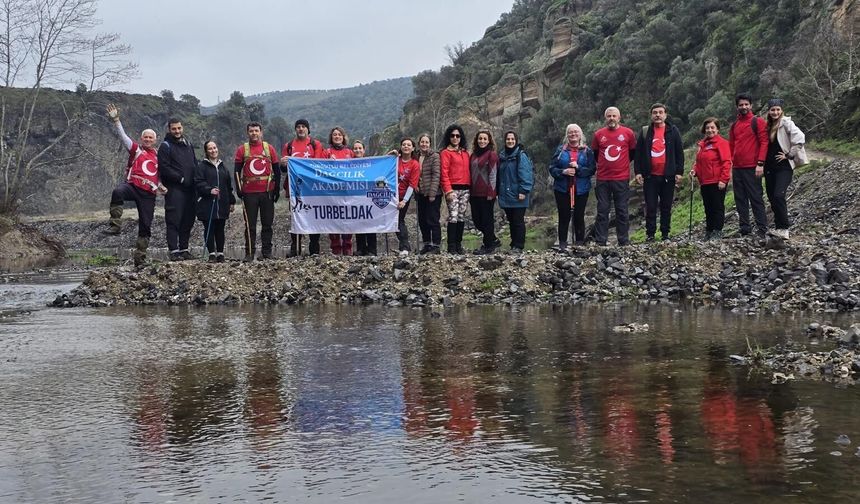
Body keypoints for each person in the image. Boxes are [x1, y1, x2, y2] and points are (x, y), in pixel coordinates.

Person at [103, 104, 166, 266]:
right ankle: (115, 225)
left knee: (145, 225)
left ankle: (140, 258)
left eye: (151, 138)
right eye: (145, 137)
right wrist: (116, 120)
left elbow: (158, 175)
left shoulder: (159, 156)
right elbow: (123, 137)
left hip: (148, 195)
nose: (148, 139)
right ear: (141, 138)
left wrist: (161, 185)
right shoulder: (136, 149)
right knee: (118, 192)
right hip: (132, 187)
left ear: (155, 140)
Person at [634, 103, 685, 241]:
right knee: (650, 206)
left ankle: (665, 234)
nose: (658, 115)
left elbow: (679, 153)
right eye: (655, 112)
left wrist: (679, 172)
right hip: (650, 176)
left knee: (666, 206)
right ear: (651, 115)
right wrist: (638, 172)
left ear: (665, 115)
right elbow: (638, 154)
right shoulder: (645, 131)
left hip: (668, 176)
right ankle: (650, 235)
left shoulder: (673, 131)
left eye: (660, 112)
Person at [234, 122, 280, 261]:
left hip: (267, 192)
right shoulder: (242, 149)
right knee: (250, 226)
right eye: (251, 131)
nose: (254, 133)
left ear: (261, 132)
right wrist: (239, 189)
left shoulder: (269, 148)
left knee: (267, 224)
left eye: (256, 131)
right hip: (249, 193)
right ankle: (249, 253)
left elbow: (277, 170)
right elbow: (236, 171)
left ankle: (266, 252)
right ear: (247, 133)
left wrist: (276, 189)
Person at [591, 106, 636, 246]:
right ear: (605, 118)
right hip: (603, 179)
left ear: (619, 118)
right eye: (609, 116)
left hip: (621, 178)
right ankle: (600, 241)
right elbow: (596, 155)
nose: (611, 118)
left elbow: (632, 153)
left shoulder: (628, 133)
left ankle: (623, 240)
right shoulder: (598, 134)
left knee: (622, 210)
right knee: (602, 210)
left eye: (614, 116)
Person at [281, 118, 324, 256]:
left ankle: (314, 247)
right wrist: (283, 164)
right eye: (298, 127)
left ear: (308, 129)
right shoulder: (288, 145)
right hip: (295, 188)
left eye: (303, 126)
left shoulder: (315, 144)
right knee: (295, 216)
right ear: (295, 129)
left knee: (314, 216)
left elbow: (317, 164)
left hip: (312, 187)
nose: (301, 129)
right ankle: (295, 247)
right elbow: (284, 169)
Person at [763, 98, 806, 240]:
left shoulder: (786, 123)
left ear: (781, 110)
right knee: (771, 197)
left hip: (784, 167)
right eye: (772, 110)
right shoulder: (767, 126)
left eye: (777, 109)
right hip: (769, 168)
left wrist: (789, 154)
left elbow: (800, 138)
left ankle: (784, 228)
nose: (775, 112)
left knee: (778, 195)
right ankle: (778, 227)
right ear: (769, 111)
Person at [158, 117, 198, 260]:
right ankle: (174, 251)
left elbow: (194, 163)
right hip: (175, 189)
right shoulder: (165, 146)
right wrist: (180, 178)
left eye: (179, 128)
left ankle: (184, 249)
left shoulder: (188, 144)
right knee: (174, 220)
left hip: (191, 189)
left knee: (188, 220)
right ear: (169, 130)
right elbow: (164, 167)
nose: (177, 131)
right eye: (174, 129)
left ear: (182, 128)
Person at [729, 92, 769, 239]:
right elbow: (731, 146)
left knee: (756, 197)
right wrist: (731, 164)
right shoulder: (734, 125)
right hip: (737, 168)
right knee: (740, 199)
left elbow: (764, 142)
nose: (744, 107)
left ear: (751, 105)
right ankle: (744, 228)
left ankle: (762, 228)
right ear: (737, 107)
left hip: (752, 167)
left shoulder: (757, 121)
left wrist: (760, 163)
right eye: (741, 105)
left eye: (746, 104)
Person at [549, 124, 595, 250]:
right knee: (564, 216)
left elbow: (591, 170)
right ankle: (562, 244)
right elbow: (552, 168)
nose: (573, 134)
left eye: (576, 132)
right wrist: (563, 171)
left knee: (579, 216)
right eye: (570, 132)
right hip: (562, 188)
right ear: (567, 135)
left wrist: (578, 168)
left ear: (580, 134)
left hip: (581, 189)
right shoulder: (560, 150)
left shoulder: (587, 151)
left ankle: (579, 244)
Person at [690, 118, 732, 240]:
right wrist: (694, 171)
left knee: (717, 206)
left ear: (717, 129)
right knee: (708, 207)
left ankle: (717, 231)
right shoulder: (702, 144)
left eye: (712, 127)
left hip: (717, 181)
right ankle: (709, 230)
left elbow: (726, 162)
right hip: (704, 182)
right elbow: (698, 162)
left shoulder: (722, 143)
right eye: (707, 128)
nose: (710, 130)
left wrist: (723, 179)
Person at [194, 140, 235, 262]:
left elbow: (228, 186)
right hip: (207, 203)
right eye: (210, 148)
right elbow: (198, 182)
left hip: (222, 203)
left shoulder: (223, 167)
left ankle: (220, 253)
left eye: (214, 148)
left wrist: (231, 201)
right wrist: (209, 190)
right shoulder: (201, 166)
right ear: (206, 151)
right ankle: (212, 253)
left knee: (220, 228)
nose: (213, 150)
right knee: (209, 228)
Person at [498, 131, 534, 253]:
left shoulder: (521, 156)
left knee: (518, 221)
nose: (510, 141)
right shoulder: (502, 156)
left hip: (519, 194)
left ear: (516, 141)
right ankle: (513, 244)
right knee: (511, 221)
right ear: (505, 141)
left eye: (512, 139)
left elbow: (526, 174)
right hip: (506, 195)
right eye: (508, 139)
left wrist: (523, 190)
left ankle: (519, 246)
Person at [323, 126, 354, 255]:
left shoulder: (350, 152)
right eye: (334, 134)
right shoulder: (326, 152)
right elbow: (319, 170)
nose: (337, 136)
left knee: (348, 218)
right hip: (332, 192)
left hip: (347, 192)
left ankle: (347, 246)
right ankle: (335, 247)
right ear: (331, 137)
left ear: (343, 137)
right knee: (333, 218)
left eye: (339, 134)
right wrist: (327, 163)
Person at [440, 124, 471, 254]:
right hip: (452, 189)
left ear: (461, 137)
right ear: (449, 137)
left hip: (466, 189)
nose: (455, 138)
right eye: (452, 135)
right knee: (453, 216)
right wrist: (448, 190)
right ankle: (451, 246)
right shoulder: (445, 153)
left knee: (461, 217)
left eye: (458, 136)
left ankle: (458, 245)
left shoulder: (465, 153)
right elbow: (444, 173)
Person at [469, 130, 500, 255]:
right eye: (480, 138)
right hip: (474, 193)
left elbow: (493, 174)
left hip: (487, 194)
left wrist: (491, 192)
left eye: (485, 139)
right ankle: (493, 239)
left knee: (487, 220)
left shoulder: (491, 155)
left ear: (489, 141)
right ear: (477, 140)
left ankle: (488, 246)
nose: (482, 141)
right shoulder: (473, 155)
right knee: (477, 220)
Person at [415, 133, 442, 254]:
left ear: (430, 144)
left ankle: (436, 245)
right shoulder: (416, 156)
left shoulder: (434, 156)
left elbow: (436, 175)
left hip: (433, 194)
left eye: (426, 142)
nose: (424, 144)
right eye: (422, 142)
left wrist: (432, 193)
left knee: (433, 219)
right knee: (422, 220)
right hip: (420, 193)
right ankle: (427, 244)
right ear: (419, 143)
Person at [394, 137, 421, 255]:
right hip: (391, 195)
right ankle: (404, 246)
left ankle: (405, 247)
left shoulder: (415, 164)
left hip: (404, 195)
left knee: (399, 219)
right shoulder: (396, 160)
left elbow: (412, 184)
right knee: (394, 220)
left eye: (409, 145)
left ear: (413, 148)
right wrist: (391, 154)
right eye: (404, 144)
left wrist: (404, 200)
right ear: (400, 147)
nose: (406, 146)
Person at [352, 140, 378, 256]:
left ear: (364, 150)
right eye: (355, 148)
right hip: (355, 197)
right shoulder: (348, 164)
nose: (358, 150)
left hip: (369, 197)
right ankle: (361, 248)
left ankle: (372, 249)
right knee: (358, 222)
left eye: (360, 148)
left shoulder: (370, 163)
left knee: (370, 222)